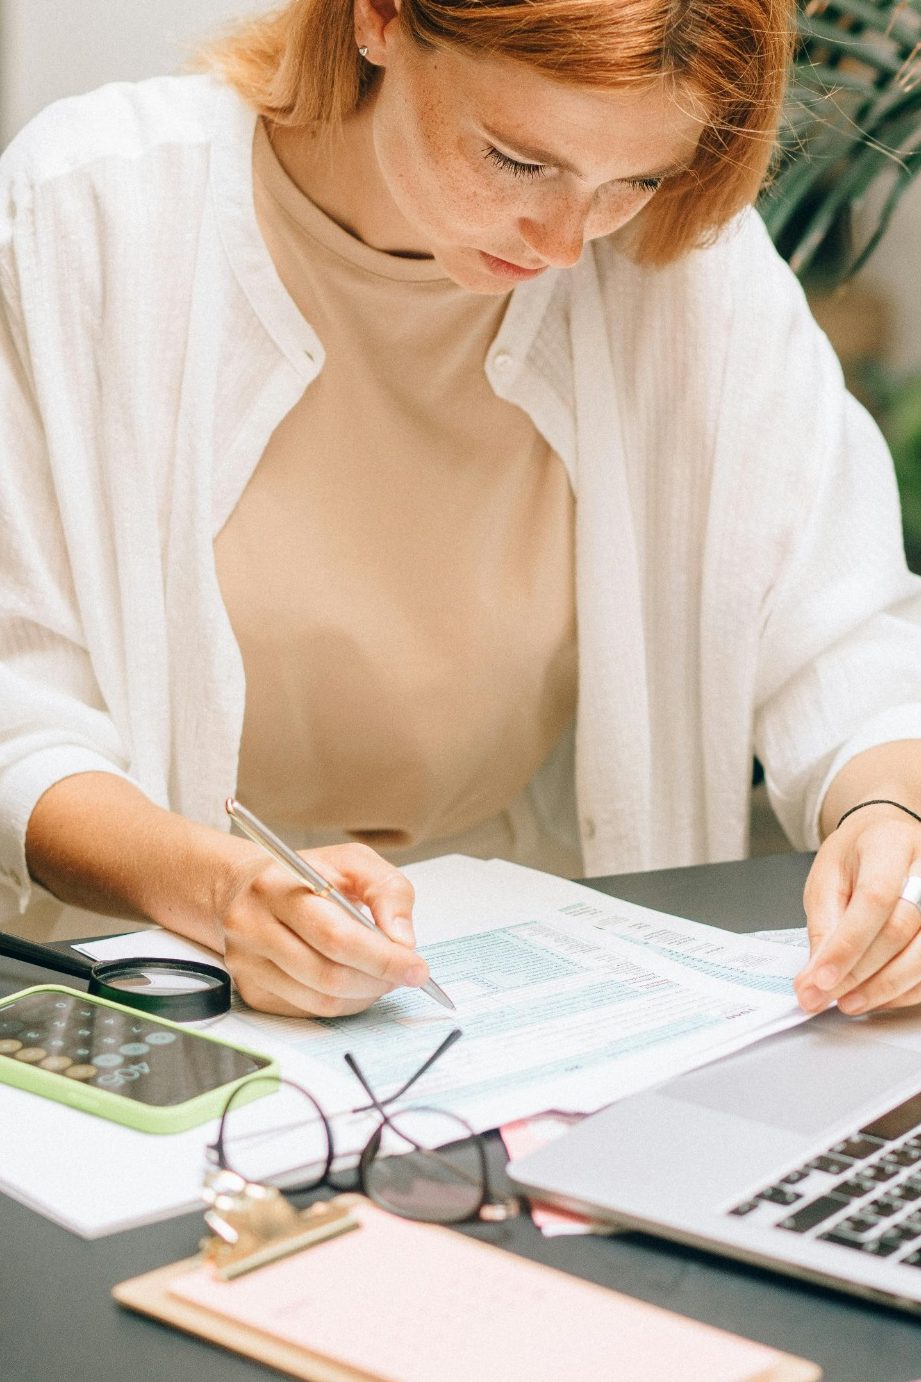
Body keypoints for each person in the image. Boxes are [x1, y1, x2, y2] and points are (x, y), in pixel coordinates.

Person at [2, 0, 921, 1024]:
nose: (568, 243)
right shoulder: (88, 210)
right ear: (380, 17)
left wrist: (886, 820)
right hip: (167, 986)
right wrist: (220, 892)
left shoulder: (683, 266)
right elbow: (21, 716)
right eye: (519, 161)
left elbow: (848, 647)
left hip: (527, 992)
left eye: (635, 179)